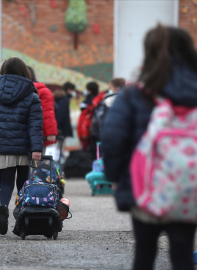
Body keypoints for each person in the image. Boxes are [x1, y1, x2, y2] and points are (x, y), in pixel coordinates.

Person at [101, 24, 197, 270]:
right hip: (190, 188)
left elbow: (112, 137)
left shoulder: (136, 94)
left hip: (144, 186)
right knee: (183, 255)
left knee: (144, 254)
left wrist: (115, 176)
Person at [0, 57, 43, 235]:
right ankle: (21, 217)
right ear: (25, 72)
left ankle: (2, 208)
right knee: (23, 182)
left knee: (6, 181)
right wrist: (36, 149)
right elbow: (35, 125)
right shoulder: (32, 95)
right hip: (24, 147)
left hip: (3, 145)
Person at [27, 66, 57, 150]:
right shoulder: (44, 91)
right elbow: (48, 113)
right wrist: (51, 133)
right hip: (39, 134)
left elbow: (47, 113)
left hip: (25, 134)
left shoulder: (18, 90)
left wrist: (51, 133)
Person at [77, 82, 101, 151]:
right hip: (89, 130)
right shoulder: (92, 101)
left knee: (88, 150)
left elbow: (87, 119)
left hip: (88, 132)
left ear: (89, 90)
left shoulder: (91, 103)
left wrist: (84, 133)